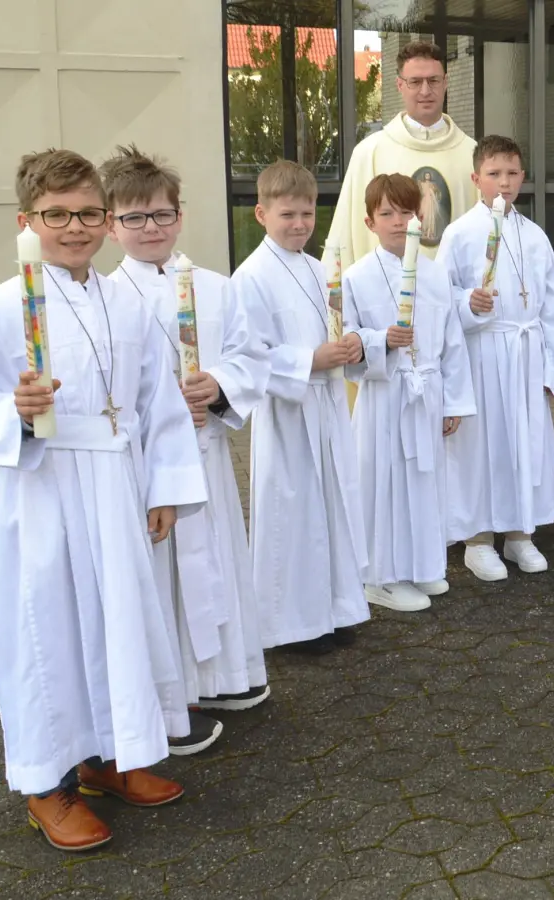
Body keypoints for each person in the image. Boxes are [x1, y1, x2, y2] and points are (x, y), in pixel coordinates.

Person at [0, 149, 205, 851]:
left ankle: (107, 757)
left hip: (117, 483)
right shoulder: (1, 306)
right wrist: (18, 412)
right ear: (26, 223)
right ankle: (46, 783)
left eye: (89, 213)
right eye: (57, 215)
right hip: (47, 488)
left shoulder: (125, 301)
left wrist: (166, 486)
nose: (76, 227)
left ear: (105, 217)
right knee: (50, 630)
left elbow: (156, 402)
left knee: (117, 622)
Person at [102, 146, 274, 758]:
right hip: (148, 467)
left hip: (206, 456)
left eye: (162, 214)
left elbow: (250, 356)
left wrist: (218, 386)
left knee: (216, 559)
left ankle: (223, 675)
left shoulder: (217, 288)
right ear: (111, 224)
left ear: (180, 215)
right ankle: (174, 697)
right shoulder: (107, 298)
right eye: (135, 217)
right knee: (163, 577)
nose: (151, 227)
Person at [232, 160, 369, 655]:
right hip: (288, 414)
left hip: (327, 405)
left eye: (307, 213)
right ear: (261, 214)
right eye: (287, 214)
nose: (299, 224)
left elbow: (340, 324)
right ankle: (290, 623)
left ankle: (335, 608)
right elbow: (246, 355)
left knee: (333, 506)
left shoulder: (319, 269)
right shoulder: (250, 277)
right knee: (292, 514)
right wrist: (308, 361)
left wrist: (352, 343)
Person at [437, 135, 554, 581]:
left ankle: (519, 532)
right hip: (481, 355)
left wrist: (552, 370)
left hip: (525, 355)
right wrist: (468, 304)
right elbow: (441, 299)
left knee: (522, 444)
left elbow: (553, 307)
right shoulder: (459, 234)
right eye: (494, 174)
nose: (504, 182)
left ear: (523, 177)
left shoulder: (535, 235)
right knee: (481, 447)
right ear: (476, 178)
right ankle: (477, 539)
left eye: (512, 173)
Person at [344, 174, 476, 611]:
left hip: (428, 391)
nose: (399, 222)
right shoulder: (357, 277)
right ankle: (380, 577)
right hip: (385, 395)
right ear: (370, 222)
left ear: (420, 218)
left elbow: (452, 342)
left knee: (423, 481)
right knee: (385, 482)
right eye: (387, 214)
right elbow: (346, 339)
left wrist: (453, 402)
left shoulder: (435, 276)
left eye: (406, 212)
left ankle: (420, 563)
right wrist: (380, 340)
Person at [327, 41, 478, 266]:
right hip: (384, 285)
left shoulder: (472, 155)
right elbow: (344, 236)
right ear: (399, 85)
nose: (425, 91)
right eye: (415, 82)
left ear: (445, 82)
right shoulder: (369, 153)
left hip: (454, 286)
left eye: (433, 80)